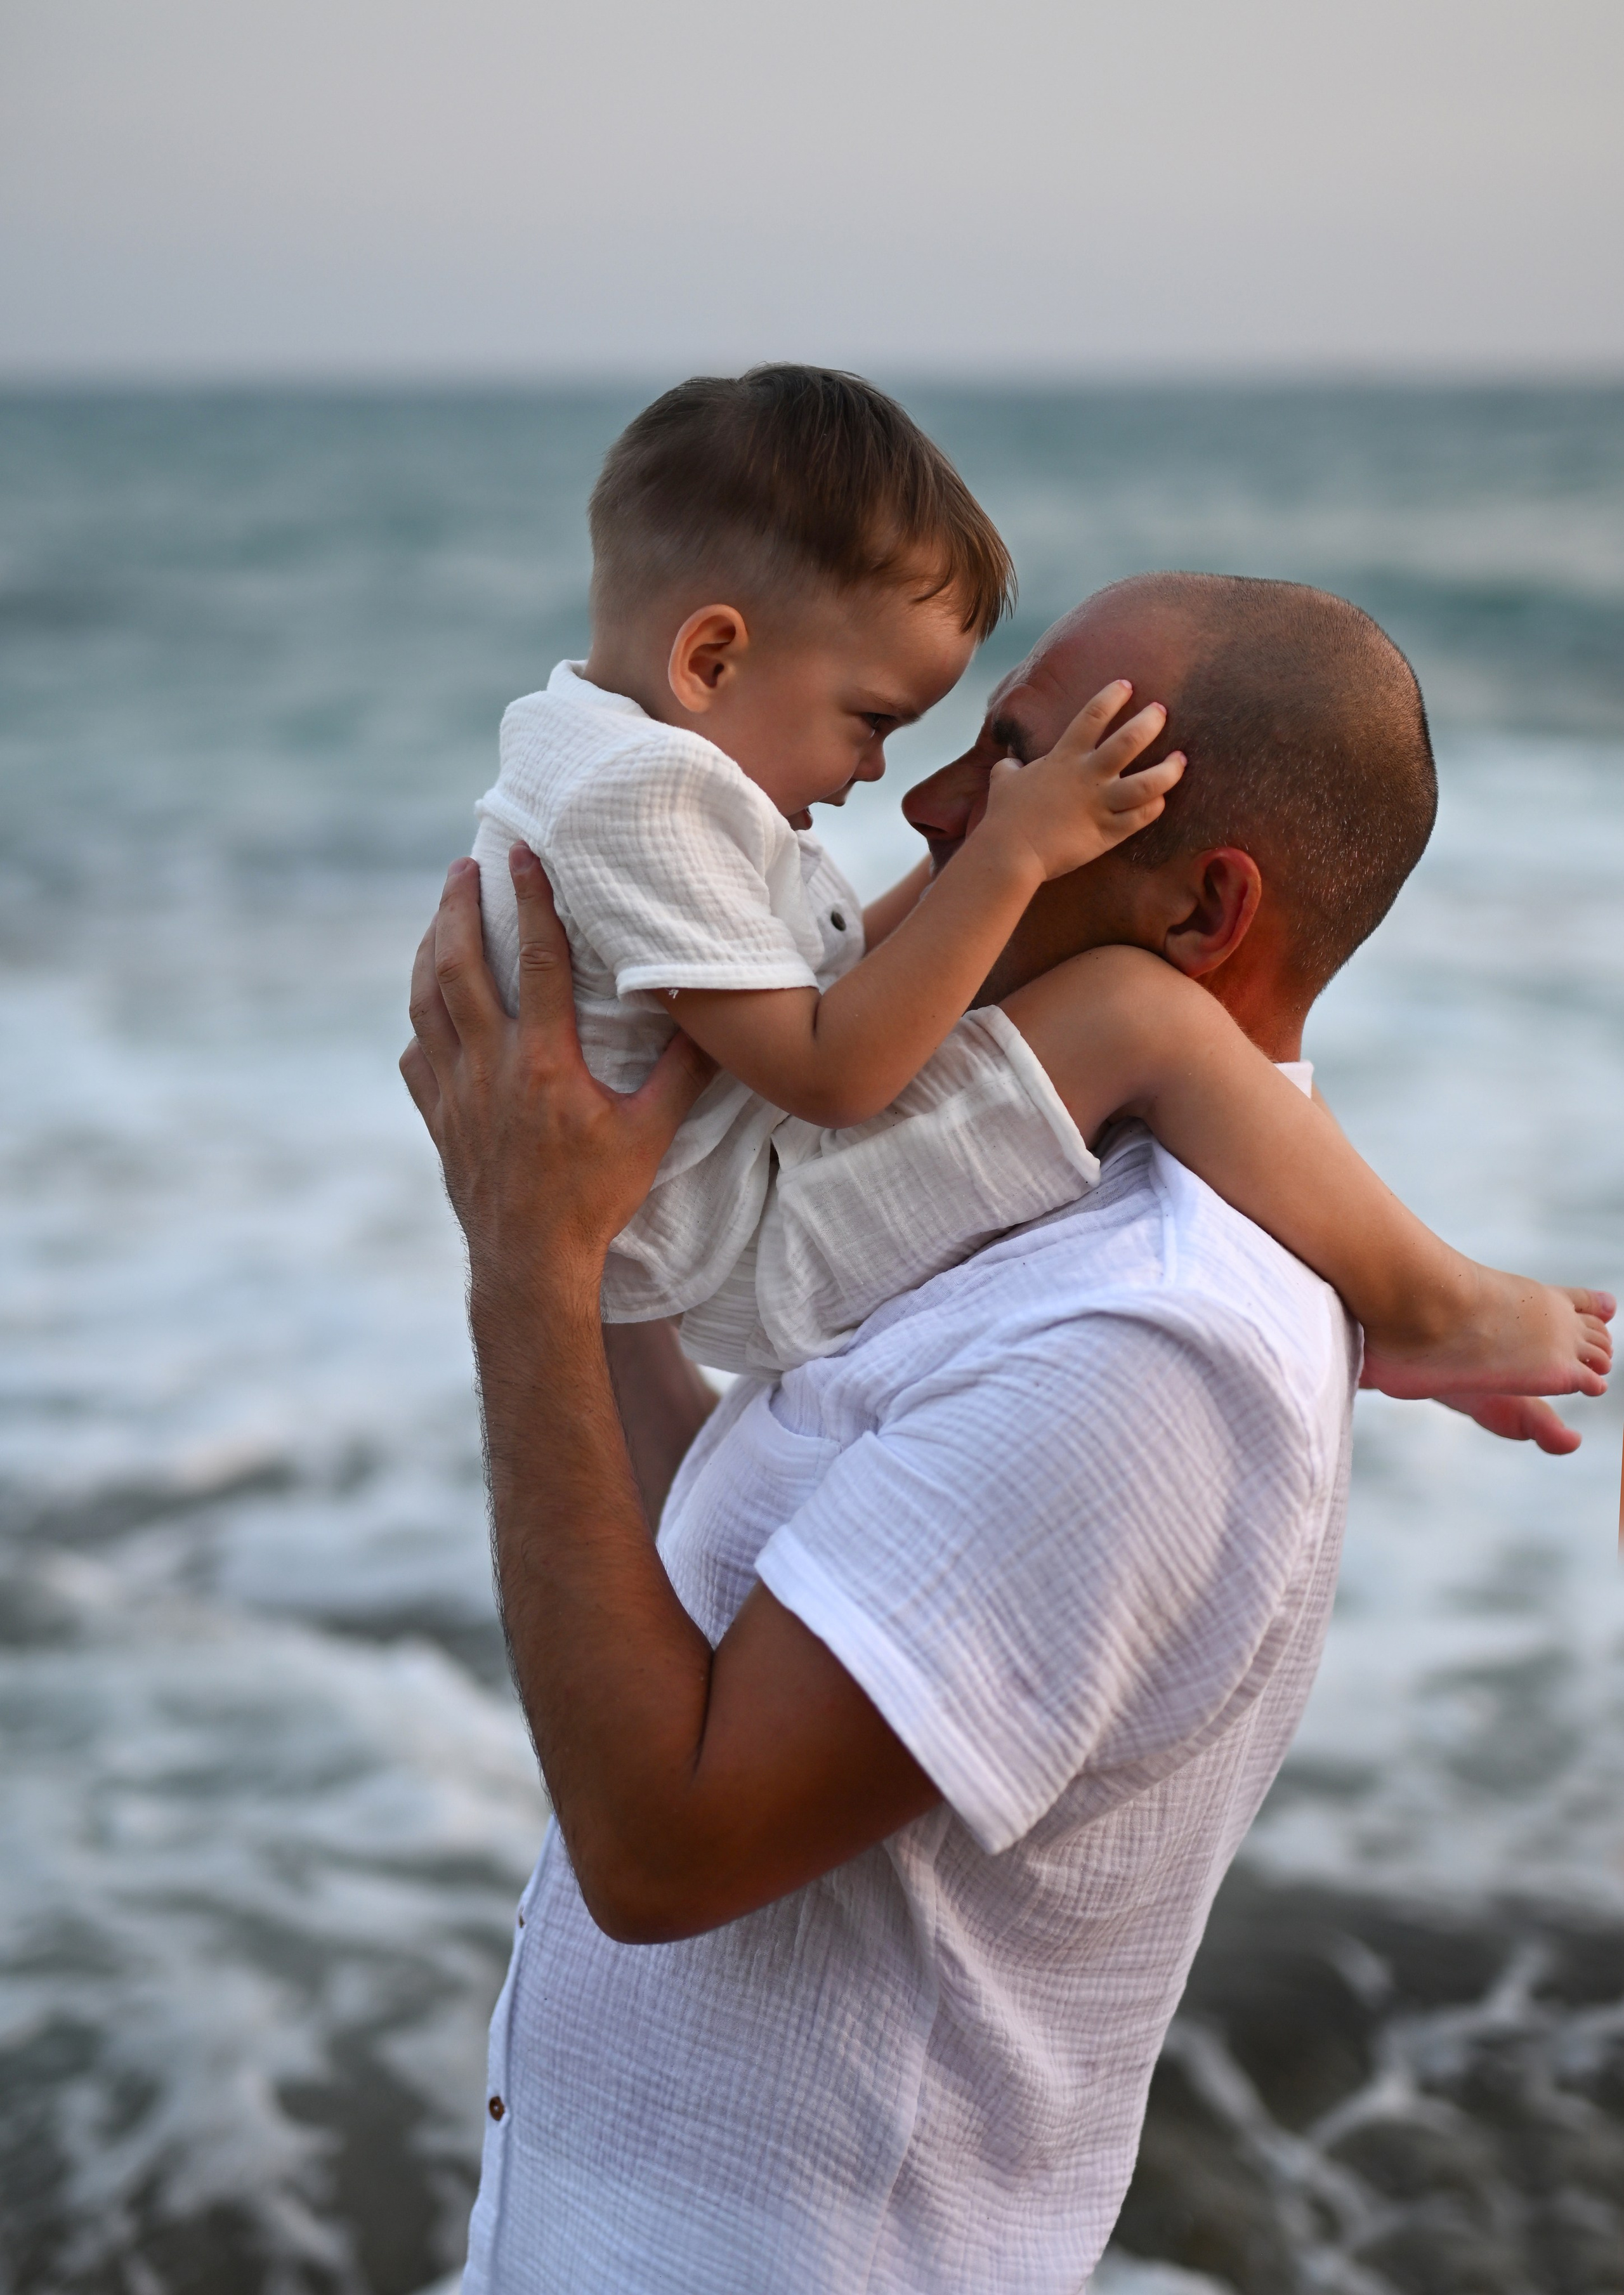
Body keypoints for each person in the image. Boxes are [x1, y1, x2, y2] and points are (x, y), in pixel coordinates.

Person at [402, 575, 1613, 2293]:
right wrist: (577, 1240)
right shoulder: (1016, 1181)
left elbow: (667, 1849)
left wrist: (528, 1275)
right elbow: (726, 1579)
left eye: (1022, 764)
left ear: (1203, 914)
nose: (930, 807)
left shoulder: (1141, 1353)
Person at [473, 365, 1607, 1398]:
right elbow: (831, 1070)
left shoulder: (591, 750)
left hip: (718, 1211)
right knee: (1134, 1014)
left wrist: (998, 847)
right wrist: (1011, 853)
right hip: (752, 1244)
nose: (882, 775)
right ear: (711, 659)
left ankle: (1400, 1298)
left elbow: (828, 982)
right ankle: (1434, 1305)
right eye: (872, 720)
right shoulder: (645, 797)